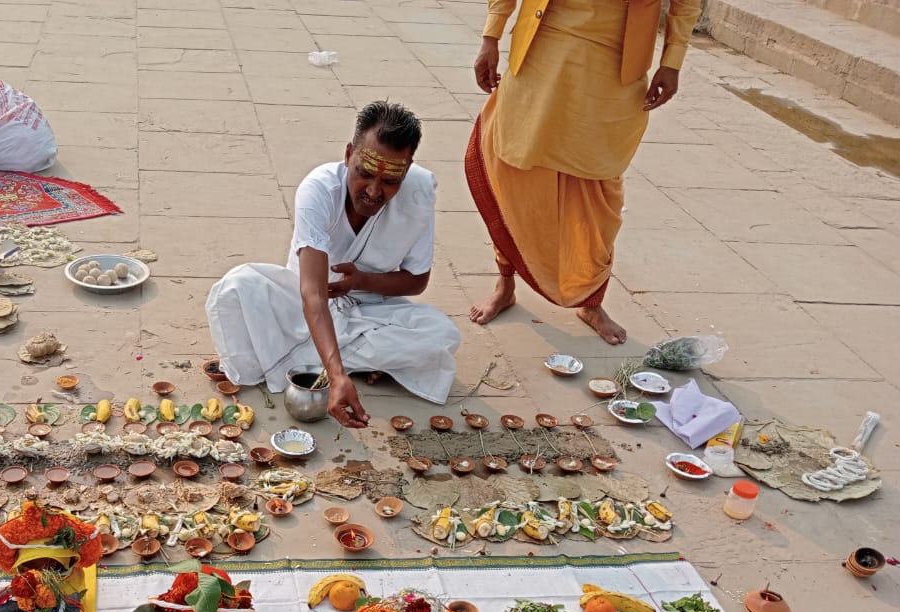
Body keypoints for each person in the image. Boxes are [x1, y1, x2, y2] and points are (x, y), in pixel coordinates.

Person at [207, 101, 461, 429]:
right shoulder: (319, 188)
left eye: (390, 181)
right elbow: (312, 294)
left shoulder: (419, 192)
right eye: (364, 173)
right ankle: (348, 363)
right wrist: (338, 375)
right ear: (348, 155)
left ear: (408, 169)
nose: (373, 191)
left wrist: (362, 282)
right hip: (300, 304)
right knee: (237, 287)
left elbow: (416, 282)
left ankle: (312, 358)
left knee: (441, 334)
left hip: (370, 310)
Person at [464, 0, 702, 345]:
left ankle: (591, 301)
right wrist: (491, 34)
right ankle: (505, 283)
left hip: (616, 61)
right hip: (541, 46)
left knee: (601, 190)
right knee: (514, 175)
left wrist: (672, 60)